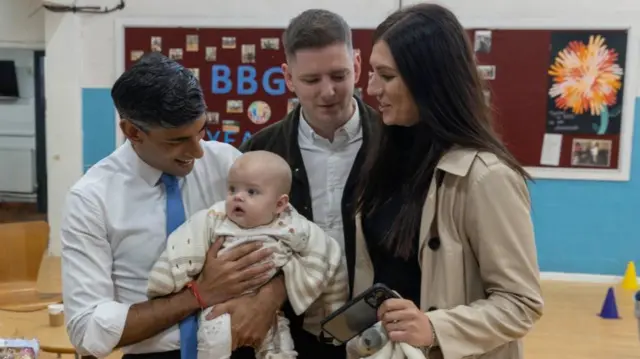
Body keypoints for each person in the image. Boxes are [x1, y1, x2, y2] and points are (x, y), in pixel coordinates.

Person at [60, 52, 287, 359]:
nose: (197, 151)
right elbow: (87, 331)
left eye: (201, 131)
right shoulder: (91, 199)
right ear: (132, 132)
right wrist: (199, 295)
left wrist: (266, 301)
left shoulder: (228, 165)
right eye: (176, 140)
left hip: (239, 347)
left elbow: (291, 241)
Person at [351, 3, 544, 359]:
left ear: (428, 82)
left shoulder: (486, 177)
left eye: (386, 76)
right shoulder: (383, 160)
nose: (371, 86)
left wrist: (435, 328)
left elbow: (521, 303)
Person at [238, 8, 381, 359]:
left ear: (358, 65)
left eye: (339, 75)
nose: (328, 91)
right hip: (288, 337)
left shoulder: (396, 143)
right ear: (288, 77)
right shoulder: (259, 152)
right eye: (311, 80)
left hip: (378, 333)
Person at [146, 151, 348, 359]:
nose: (238, 197)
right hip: (218, 308)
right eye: (232, 189)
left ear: (279, 204)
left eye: (252, 192)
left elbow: (326, 255)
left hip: (271, 314)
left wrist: (334, 307)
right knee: (213, 341)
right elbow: (185, 243)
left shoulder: (290, 226)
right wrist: (165, 279)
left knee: (280, 346)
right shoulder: (216, 218)